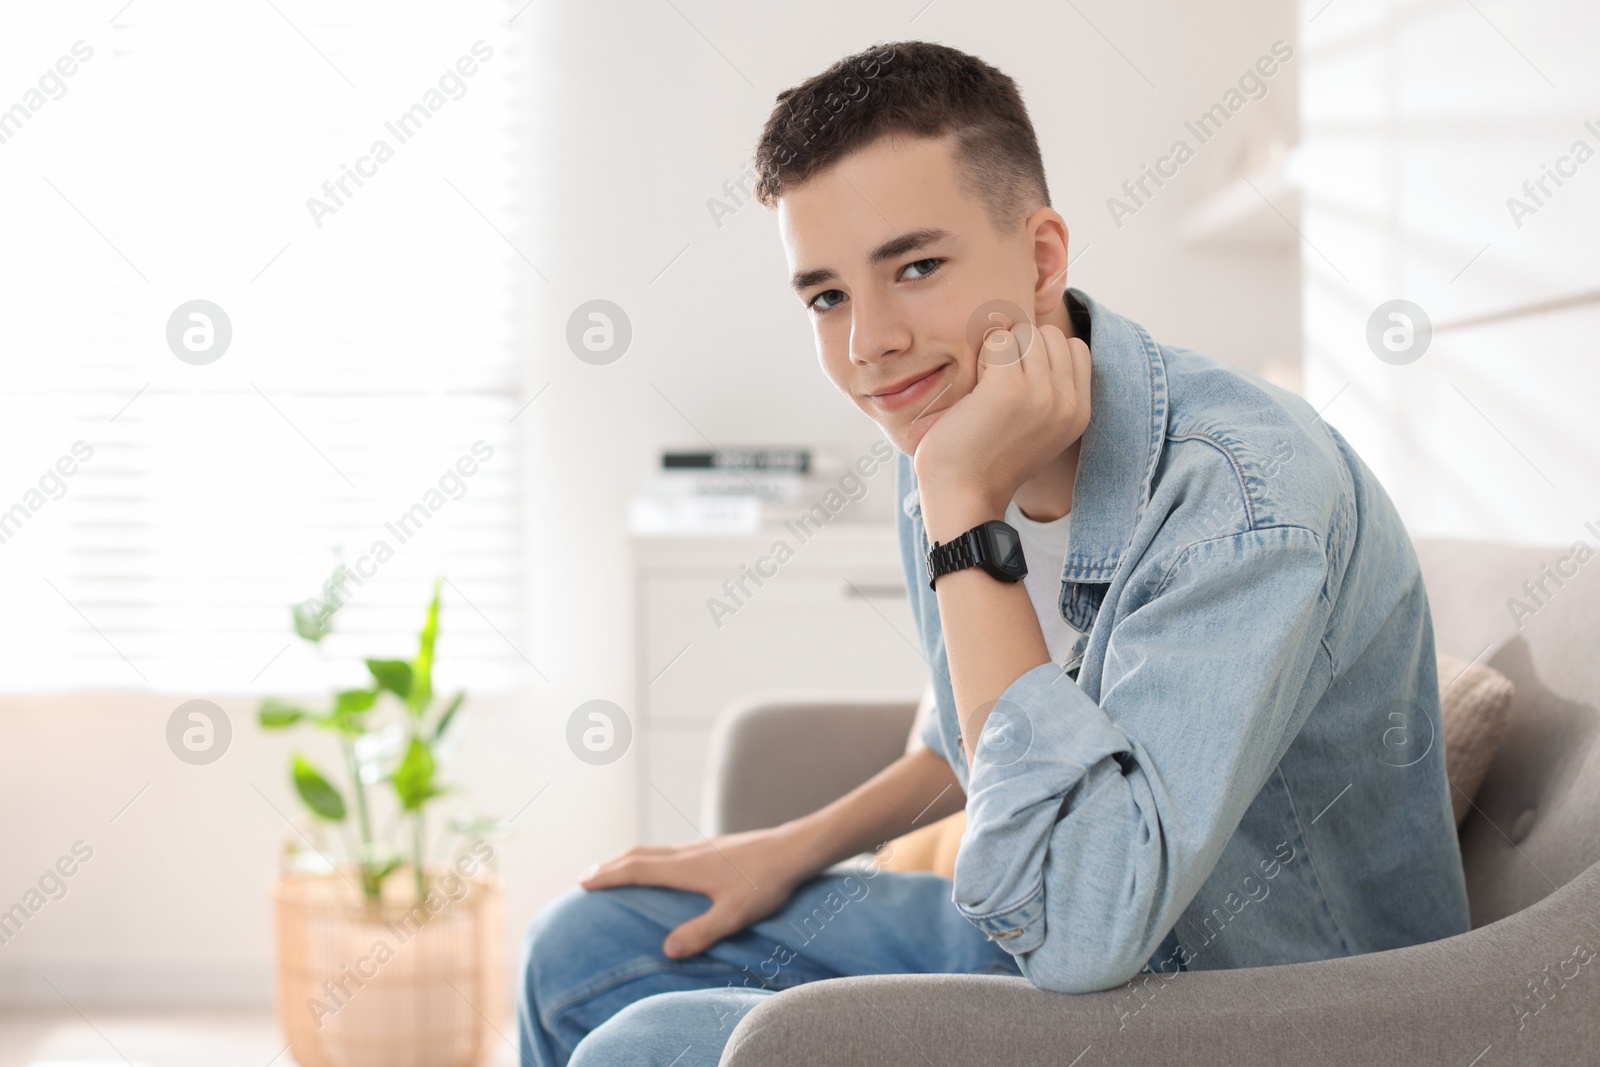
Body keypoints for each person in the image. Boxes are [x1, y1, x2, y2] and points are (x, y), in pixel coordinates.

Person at [518, 39, 1470, 1066]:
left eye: (915, 267)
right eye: (826, 296)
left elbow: (1085, 924)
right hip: (1042, 925)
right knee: (579, 948)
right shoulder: (944, 428)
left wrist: (962, 508)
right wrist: (782, 851)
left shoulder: (1243, 493)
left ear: (1042, 257)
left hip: (1239, 998)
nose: (868, 343)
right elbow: (975, 746)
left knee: (647, 1043)